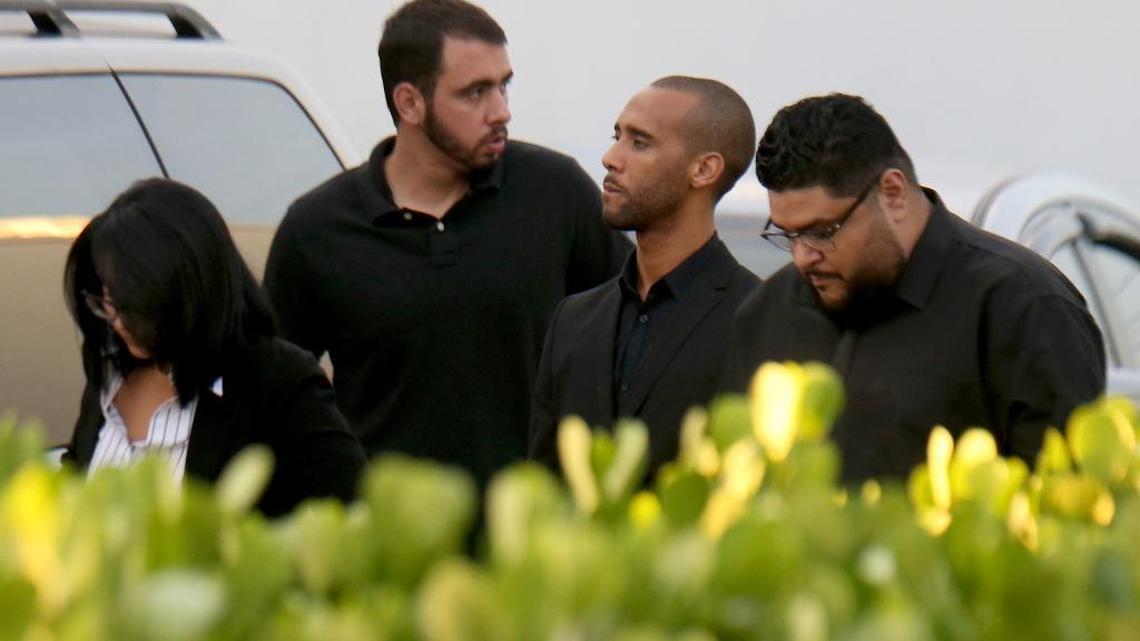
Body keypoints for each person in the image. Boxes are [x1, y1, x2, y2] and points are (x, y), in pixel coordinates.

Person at [263, 0, 629, 487]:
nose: (501, 110)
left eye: (504, 85)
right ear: (410, 102)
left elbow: (634, 325)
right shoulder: (318, 229)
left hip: (534, 536)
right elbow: (271, 392)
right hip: (389, 542)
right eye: (475, 92)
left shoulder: (554, 192)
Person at [721, 93, 1106, 482]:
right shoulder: (769, 310)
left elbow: (1066, 502)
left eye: (822, 232)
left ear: (893, 193)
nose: (804, 257)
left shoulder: (1022, 306)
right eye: (788, 235)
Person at [63, 178, 366, 517]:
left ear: (187, 294)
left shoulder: (277, 383)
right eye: (106, 305)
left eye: (133, 308)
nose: (116, 323)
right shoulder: (110, 377)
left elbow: (354, 512)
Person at [529, 76, 760, 476]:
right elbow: (543, 485)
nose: (610, 158)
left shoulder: (759, 320)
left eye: (639, 143)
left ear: (704, 169)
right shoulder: (573, 319)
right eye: (617, 136)